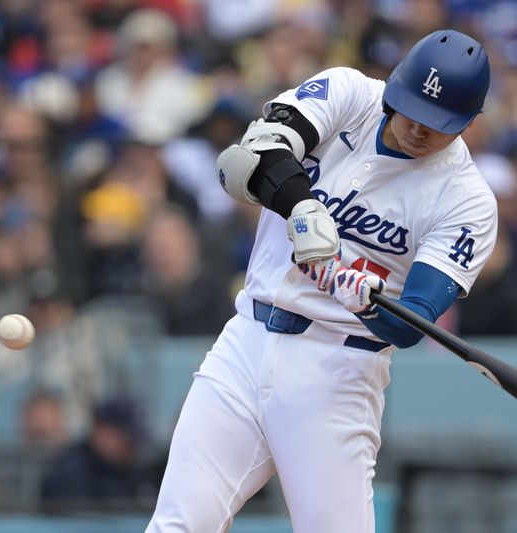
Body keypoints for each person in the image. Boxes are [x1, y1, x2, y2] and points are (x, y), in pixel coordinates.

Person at [146, 28, 498, 532]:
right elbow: (257, 152)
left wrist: (368, 301)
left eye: (437, 123)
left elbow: (413, 321)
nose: (420, 129)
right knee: (178, 525)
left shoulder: (467, 200)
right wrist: (302, 208)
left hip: (339, 369)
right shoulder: (351, 93)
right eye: (412, 111)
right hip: (246, 341)